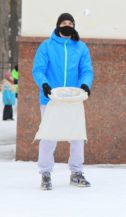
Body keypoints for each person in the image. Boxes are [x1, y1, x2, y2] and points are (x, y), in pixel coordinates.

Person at [32, 13, 94, 190]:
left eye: (70, 23)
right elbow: (38, 69)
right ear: (58, 25)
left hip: (73, 98)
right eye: (64, 22)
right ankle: (45, 174)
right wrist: (44, 84)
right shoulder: (47, 46)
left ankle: (76, 173)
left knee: (77, 137)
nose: (67, 25)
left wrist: (85, 84)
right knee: (49, 136)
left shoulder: (80, 48)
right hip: (51, 99)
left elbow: (87, 70)